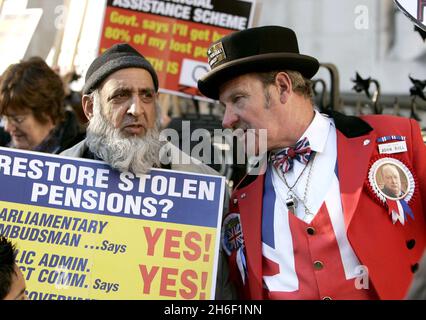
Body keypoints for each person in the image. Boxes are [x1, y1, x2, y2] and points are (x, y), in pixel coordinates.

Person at [197, 25, 426, 300]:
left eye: (238, 99)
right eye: (224, 106)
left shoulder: (397, 141)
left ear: (282, 86)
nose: (226, 120)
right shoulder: (241, 199)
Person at [61, 43, 235, 299]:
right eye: (120, 95)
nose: (136, 109)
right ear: (89, 107)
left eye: (146, 95)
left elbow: (221, 289)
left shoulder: (205, 186)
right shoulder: (55, 177)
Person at [0, 57, 85, 153]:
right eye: (5, 118)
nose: (7, 127)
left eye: (17, 119)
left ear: (48, 112)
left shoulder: (80, 154)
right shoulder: (3, 142)